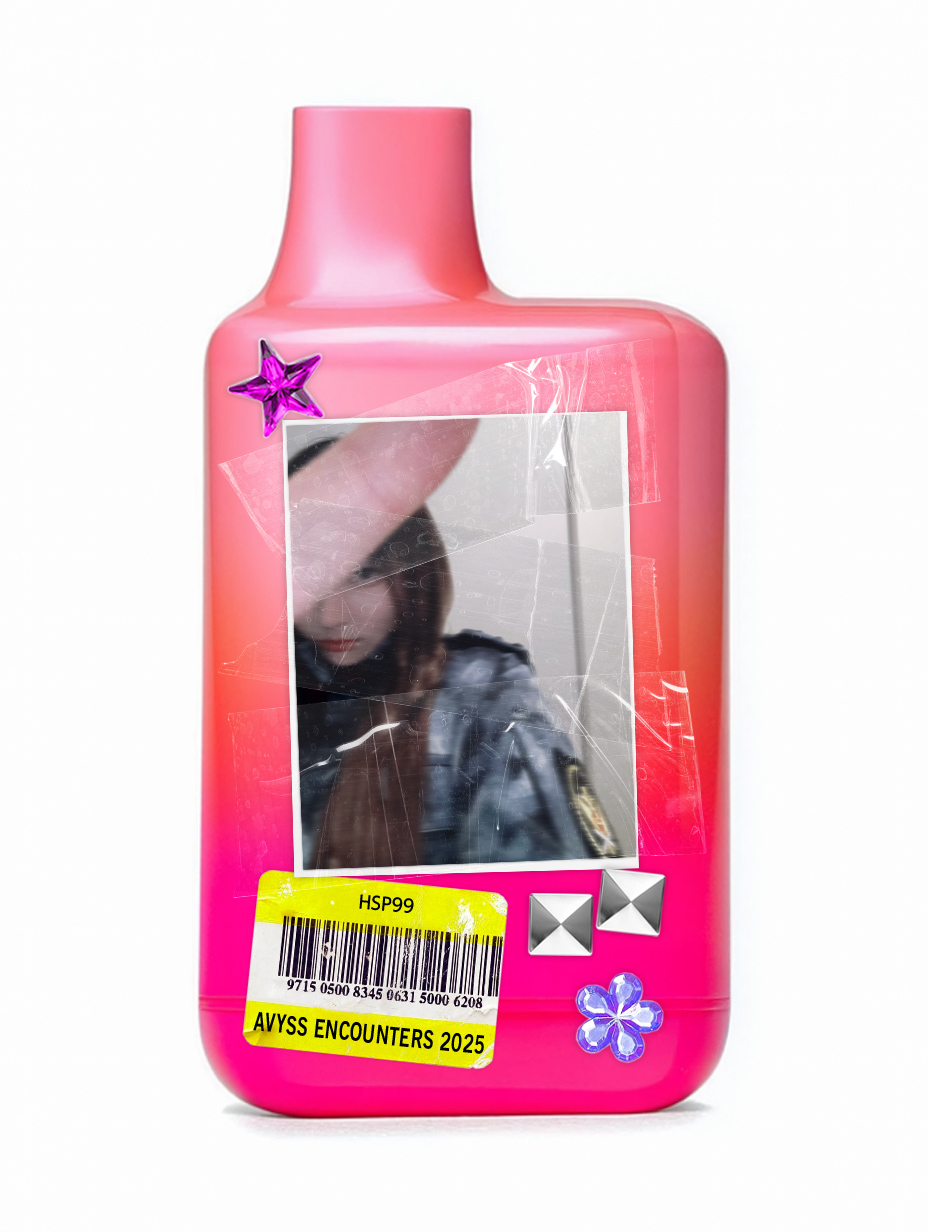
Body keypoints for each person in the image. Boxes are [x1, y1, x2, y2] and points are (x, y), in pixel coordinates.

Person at [287, 422, 623, 871]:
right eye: (310, 580)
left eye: (362, 573)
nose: (330, 616)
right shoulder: (260, 698)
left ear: (411, 570)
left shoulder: (483, 693)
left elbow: (548, 886)